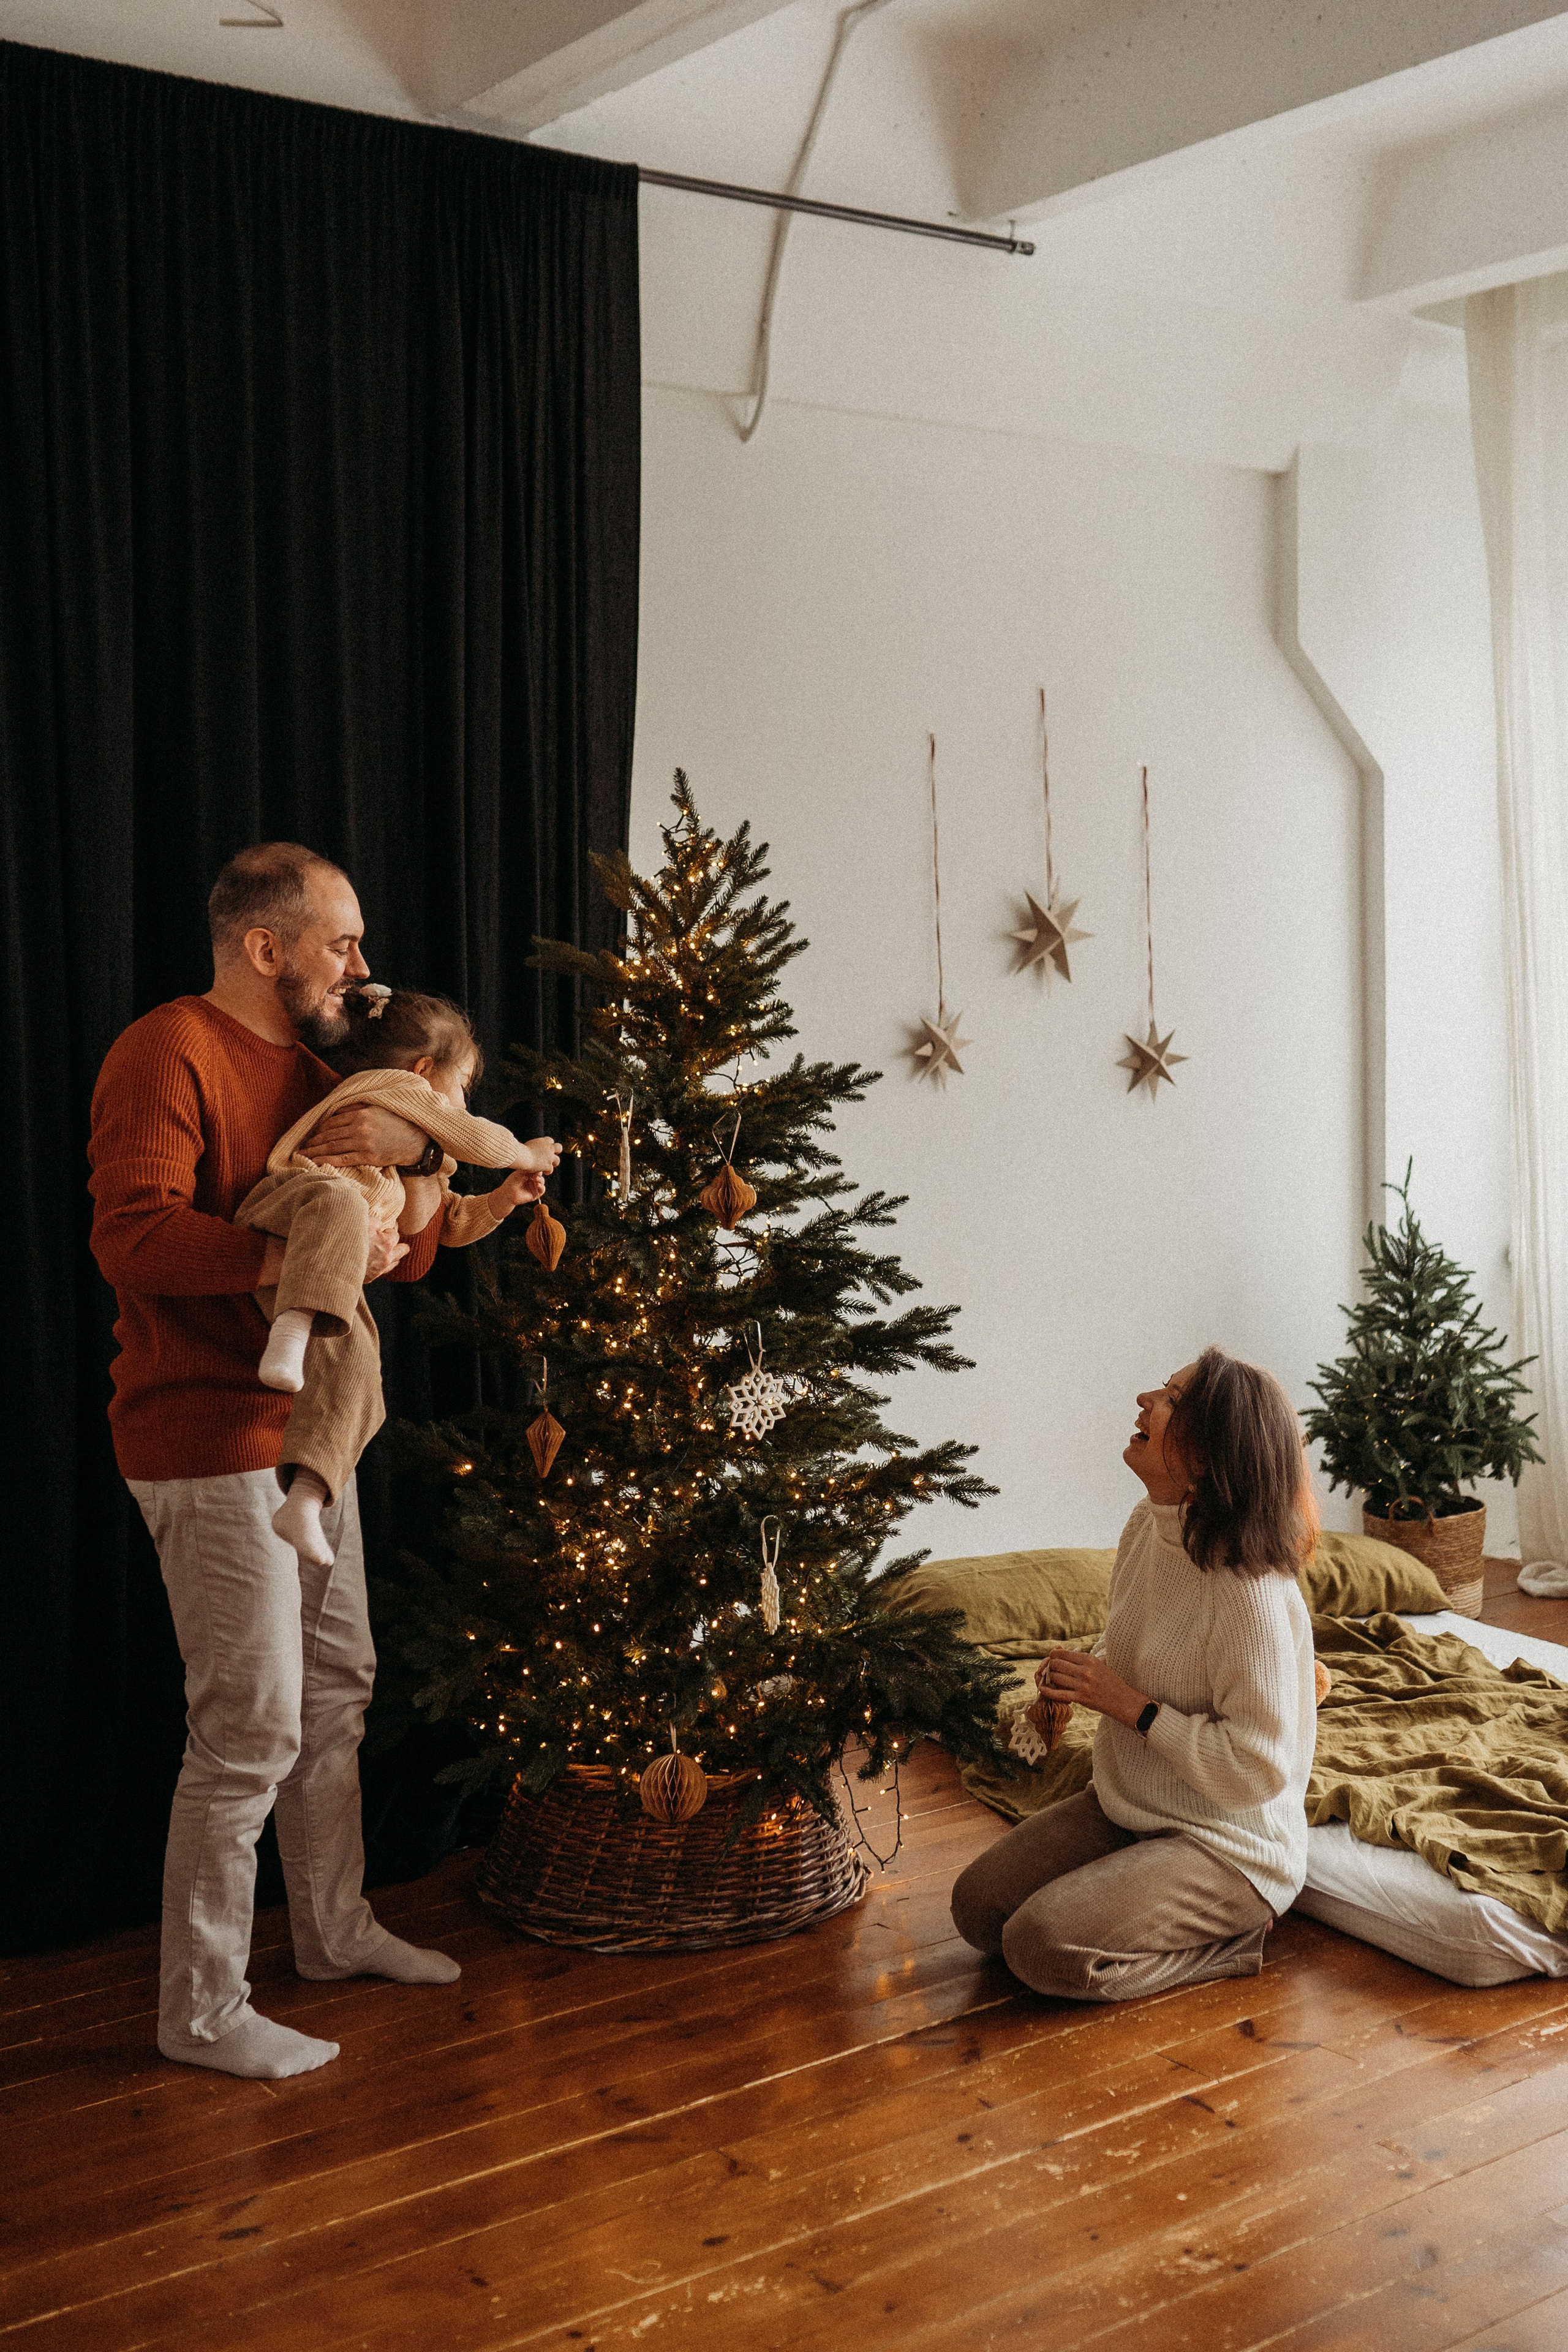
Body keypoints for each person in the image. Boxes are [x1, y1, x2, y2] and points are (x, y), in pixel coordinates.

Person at [86, 843, 532, 2080]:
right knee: (251, 1725)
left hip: (306, 1440)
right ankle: (203, 2009)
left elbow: (407, 1260)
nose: (363, 966)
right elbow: (130, 1238)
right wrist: (289, 1270)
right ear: (264, 946)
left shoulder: (323, 1075)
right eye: (342, 942)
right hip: (202, 1430)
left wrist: (429, 1183)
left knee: (338, 1690)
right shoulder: (166, 1049)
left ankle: (332, 1931)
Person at [951, 1348, 1317, 2001]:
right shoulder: (1149, 1526)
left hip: (1230, 1847)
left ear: (1209, 1450)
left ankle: (1236, 1940)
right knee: (977, 1910)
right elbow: (1139, 1641)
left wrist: (1130, 1707)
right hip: (1128, 1806)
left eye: (1171, 1397)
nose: (1145, 1399)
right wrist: (1078, 1677)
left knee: (1039, 1949)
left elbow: (1257, 1770)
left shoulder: (1248, 1589)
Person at [239, 987, 561, 1571]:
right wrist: (527, 1155)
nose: (463, 1105)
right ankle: (288, 1336)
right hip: (293, 1205)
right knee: (340, 1198)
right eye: (462, 1087)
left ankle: (306, 1498)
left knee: (362, 1372)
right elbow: (476, 1138)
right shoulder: (394, 1091)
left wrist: (504, 1201)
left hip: (324, 1266)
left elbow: (446, 1228)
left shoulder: (416, 1153)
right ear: (424, 1071)